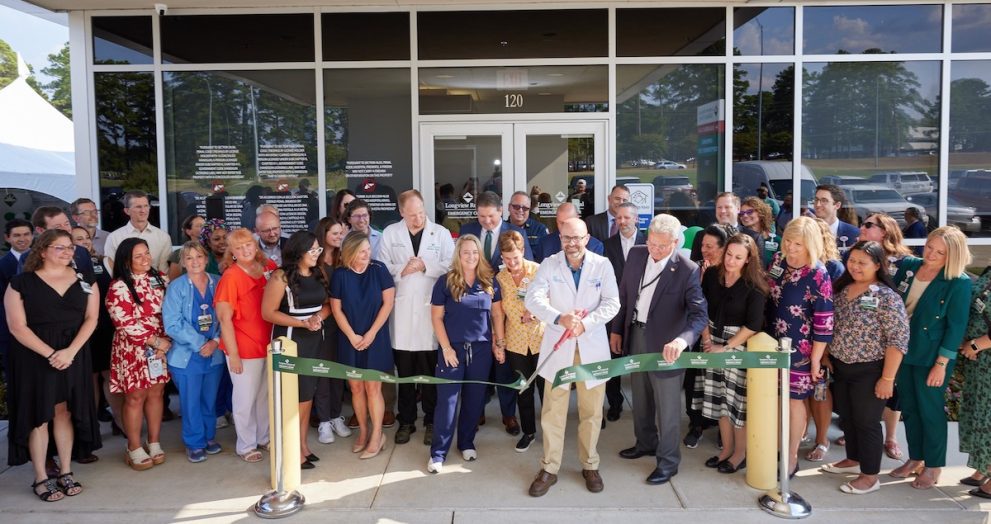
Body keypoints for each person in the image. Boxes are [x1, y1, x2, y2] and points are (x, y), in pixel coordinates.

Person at [525, 217, 620, 496]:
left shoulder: (602, 265)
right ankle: (550, 468)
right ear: (560, 238)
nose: (572, 243)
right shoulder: (549, 264)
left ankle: (590, 464)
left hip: (592, 346)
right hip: (559, 347)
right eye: (567, 238)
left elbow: (612, 302)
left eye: (577, 238)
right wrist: (559, 318)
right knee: (553, 411)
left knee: (591, 411)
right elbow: (533, 298)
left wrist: (586, 322)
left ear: (587, 238)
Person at [611, 214, 707, 486]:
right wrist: (617, 330)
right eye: (652, 243)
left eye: (662, 246)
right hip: (637, 336)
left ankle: (668, 462)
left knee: (667, 408)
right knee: (640, 397)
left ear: (676, 242)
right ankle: (645, 443)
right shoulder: (636, 255)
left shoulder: (687, 269)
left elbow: (699, 315)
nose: (655, 250)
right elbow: (624, 296)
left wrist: (682, 340)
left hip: (668, 347)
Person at [4, 229, 100, 501]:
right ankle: (41, 477)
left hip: (74, 352)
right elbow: (16, 327)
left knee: (64, 412)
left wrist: (69, 352)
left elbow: (92, 319)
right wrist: (51, 354)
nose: (68, 252)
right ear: (43, 251)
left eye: (70, 247)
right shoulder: (20, 283)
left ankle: (66, 471)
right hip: (34, 356)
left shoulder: (85, 279)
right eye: (60, 247)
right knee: (39, 415)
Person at [821, 241, 909, 495]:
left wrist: (887, 378)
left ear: (878, 265)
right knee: (847, 416)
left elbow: (898, 339)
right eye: (852, 261)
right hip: (842, 367)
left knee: (867, 421)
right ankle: (853, 459)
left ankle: (870, 476)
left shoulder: (886, 296)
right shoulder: (842, 289)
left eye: (863, 262)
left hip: (871, 370)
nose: (855, 266)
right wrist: (827, 355)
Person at [889, 226, 972, 489]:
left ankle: (934, 466)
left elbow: (956, 326)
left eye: (940, 252)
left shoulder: (958, 282)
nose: (931, 254)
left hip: (932, 355)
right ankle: (915, 458)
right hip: (903, 349)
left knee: (930, 410)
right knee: (910, 409)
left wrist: (942, 363)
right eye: (929, 247)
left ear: (953, 255)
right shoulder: (911, 266)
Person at [380, 190, 455, 446]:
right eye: (412, 214)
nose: (418, 218)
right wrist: (403, 269)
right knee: (405, 374)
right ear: (401, 212)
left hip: (430, 312)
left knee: (430, 373)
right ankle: (407, 421)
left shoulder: (441, 233)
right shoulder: (391, 233)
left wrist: (425, 266)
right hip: (401, 314)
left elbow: (451, 264)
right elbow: (380, 266)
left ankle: (431, 421)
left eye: (421, 212)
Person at [426, 234, 506, 473]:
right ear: (458, 255)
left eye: (474, 252)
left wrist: (498, 343)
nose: (471, 256)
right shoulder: (445, 281)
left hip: (481, 350)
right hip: (453, 350)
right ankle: (438, 453)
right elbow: (436, 318)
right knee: (447, 403)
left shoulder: (490, 281)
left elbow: (497, 315)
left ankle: (466, 443)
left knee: (474, 400)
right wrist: (447, 348)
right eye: (466, 252)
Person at [766, 216, 834, 478]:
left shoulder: (818, 274)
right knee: (774, 400)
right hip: (770, 345)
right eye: (788, 241)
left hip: (800, 352)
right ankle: (775, 448)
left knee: (794, 401)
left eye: (798, 244)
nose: (791, 248)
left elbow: (824, 322)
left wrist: (816, 359)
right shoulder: (778, 262)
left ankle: (791, 455)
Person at [459, 190, 532, 435]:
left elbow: (526, 274)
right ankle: (477, 410)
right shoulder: (468, 229)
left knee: (504, 367)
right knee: (478, 365)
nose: (486, 221)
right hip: (475, 311)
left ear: (501, 211)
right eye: (481, 217)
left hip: (507, 310)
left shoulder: (517, 233)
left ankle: (508, 415)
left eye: (491, 216)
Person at [694, 234, 767, 474]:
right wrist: (706, 339)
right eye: (729, 255)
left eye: (738, 257)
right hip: (710, 339)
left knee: (737, 404)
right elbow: (701, 307)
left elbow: (753, 325)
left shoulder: (754, 285)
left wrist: (725, 347)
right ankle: (726, 449)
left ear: (748, 260)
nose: (731, 261)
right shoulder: (713, 276)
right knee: (718, 401)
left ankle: (739, 454)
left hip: (738, 346)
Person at [262, 231, 331, 470]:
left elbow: (327, 305)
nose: (316, 254)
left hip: (315, 338)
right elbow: (268, 312)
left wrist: (318, 319)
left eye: (318, 250)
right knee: (293, 398)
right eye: (312, 250)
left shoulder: (318, 272)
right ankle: (291, 448)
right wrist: (303, 323)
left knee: (308, 395)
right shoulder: (280, 277)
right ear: (298, 251)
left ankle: (302, 445)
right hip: (291, 340)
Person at [107, 238, 171, 471]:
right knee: (135, 397)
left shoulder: (161, 279)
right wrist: (155, 341)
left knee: (157, 393)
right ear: (126, 261)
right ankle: (133, 446)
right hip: (134, 348)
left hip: (161, 347)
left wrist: (165, 341)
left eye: (147, 253)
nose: (146, 259)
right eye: (139, 256)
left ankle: (153, 442)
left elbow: (172, 309)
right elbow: (124, 322)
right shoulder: (119, 286)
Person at [330, 232, 396, 459]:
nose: (368, 255)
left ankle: (377, 435)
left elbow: (388, 303)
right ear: (350, 253)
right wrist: (351, 335)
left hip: (375, 337)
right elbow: (336, 309)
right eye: (362, 252)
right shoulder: (340, 275)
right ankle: (364, 431)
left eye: (369, 250)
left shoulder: (379, 269)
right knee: (356, 387)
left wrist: (371, 333)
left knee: (373, 388)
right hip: (350, 338)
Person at [215, 228, 277, 463]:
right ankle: (246, 445)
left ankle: (263, 436)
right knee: (245, 399)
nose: (245, 250)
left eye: (248, 244)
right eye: (239, 247)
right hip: (244, 347)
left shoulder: (267, 267)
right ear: (232, 252)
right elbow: (224, 319)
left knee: (264, 396)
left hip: (267, 344)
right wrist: (233, 355)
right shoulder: (231, 277)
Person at [857, 212, 914, 461]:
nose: (862, 227)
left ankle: (890, 437)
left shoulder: (904, 264)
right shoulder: (858, 256)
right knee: (863, 390)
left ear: (885, 232)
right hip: (863, 339)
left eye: (869, 225)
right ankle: (858, 432)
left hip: (892, 337)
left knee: (892, 389)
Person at [162, 241, 225, 463]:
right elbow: (172, 323)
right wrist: (200, 343)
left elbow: (228, 317)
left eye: (199, 257)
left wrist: (216, 342)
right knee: (191, 402)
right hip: (187, 356)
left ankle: (209, 438)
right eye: (189, 258)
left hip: (215, 353)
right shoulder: (176, 287)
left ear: (206, 259)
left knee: (209, 400)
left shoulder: (218, 283)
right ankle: (194, 442)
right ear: (183, 262)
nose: (195, 262)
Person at [683, 222, 735, 448]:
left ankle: (723, 430)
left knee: (723, 386)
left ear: (724, 248)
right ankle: (696, 425)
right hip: (699, 334)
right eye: (703, 245)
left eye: (711, 246)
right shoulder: (696, 268)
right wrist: (704, 337)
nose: (705, 250)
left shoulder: (732, 272)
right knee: (695, 381)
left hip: (725, 337)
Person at [495, 231, 545, 452]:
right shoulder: (500, 279)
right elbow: (498, 314)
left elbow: (553, 300)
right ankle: (529, 432)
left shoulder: (539, 271)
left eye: (515, 258)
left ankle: (552, 433)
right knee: (524, 389)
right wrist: (500, 343)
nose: (512, 263)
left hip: (541, 339)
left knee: (547, 389)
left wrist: (536, 312)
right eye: (507, 259)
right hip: (515, 342)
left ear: (523, 251)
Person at [71, 226, 120, 441]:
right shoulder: (68, 267)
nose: (84, 242)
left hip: (107, 327)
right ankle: (90, 431)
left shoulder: (104, 262)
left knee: (111, 376)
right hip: (81, 331)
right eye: (78, 239)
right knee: (89, 380)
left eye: (87, 238)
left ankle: (121, 422)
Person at [602, 202, 645, 421]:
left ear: (636, 219)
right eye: (618, 218)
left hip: (642, 310)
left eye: (626, 218)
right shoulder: (606, 245)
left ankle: (644, 404)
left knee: (640, 358)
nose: (622, 222)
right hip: (614, 310)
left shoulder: (649, 242)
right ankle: (615, 403)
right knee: (612, 359)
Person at [311, 217, 352, 444]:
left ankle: (337, 416)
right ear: (323, 234)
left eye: (340, 234)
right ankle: (324, 421)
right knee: (323, 373)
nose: (338, 238)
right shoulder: (313, 260)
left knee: (339, 373)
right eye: (334, 233)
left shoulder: (343, 258)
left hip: (343, 323)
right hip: (322, 324)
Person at [957, 264, 991, 498]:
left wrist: (976, 344)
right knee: (978, 414)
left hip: (984, 353)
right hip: (979, 361)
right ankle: (984, 467)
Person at [104, 191, 172, 273]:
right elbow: (112, 269)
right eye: (138, 207)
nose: (143, 210)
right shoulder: (114, 237)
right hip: (124, 284)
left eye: (146, 206)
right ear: (127, 211)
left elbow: (163, 270)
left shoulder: (163, 237)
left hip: (156, 284)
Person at [0, 218, 33, 380]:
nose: (22, 239)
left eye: (26, 234)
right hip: (11, 331)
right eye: (17, 235)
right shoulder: (2, 266)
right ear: (7, 238)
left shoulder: (43, 261)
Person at [28, 207, 95, 278]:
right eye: (58, 227)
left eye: (67, 224)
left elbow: (91, 282)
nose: (66, 229)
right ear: (40, 230)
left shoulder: (82, 251)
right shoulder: (28, 257)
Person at [536, 202, 605, 263]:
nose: (565, 227)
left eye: (569, 222)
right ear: (556, 221)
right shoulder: (544, 243)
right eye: (561, 223)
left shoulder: (595, 246)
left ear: (578, 218)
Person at [814, 185, 860, 252]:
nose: (818, 204)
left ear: (837, 205)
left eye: (824, 201)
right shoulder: (806, 231)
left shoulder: (853, 233)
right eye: (816, 200)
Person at [739, 196, 779, 268]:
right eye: (741, 213)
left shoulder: (776, 240)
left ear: (761, 213)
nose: (744, 215)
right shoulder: (738, 238)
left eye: (749, 212)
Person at [508, 190, 549, 255]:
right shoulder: (501, 228)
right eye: (516, 207)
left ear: (529, 210)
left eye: (525, 208)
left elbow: (545, 255)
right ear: (509, 207)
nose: (520, 210)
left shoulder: (539, 229)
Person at [166, 214, 205, 280]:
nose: (204, 228)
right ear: (188, 232)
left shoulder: (213, 251)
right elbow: (173, 281)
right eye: (199, 226)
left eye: (205, 225)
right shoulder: (179, 254)